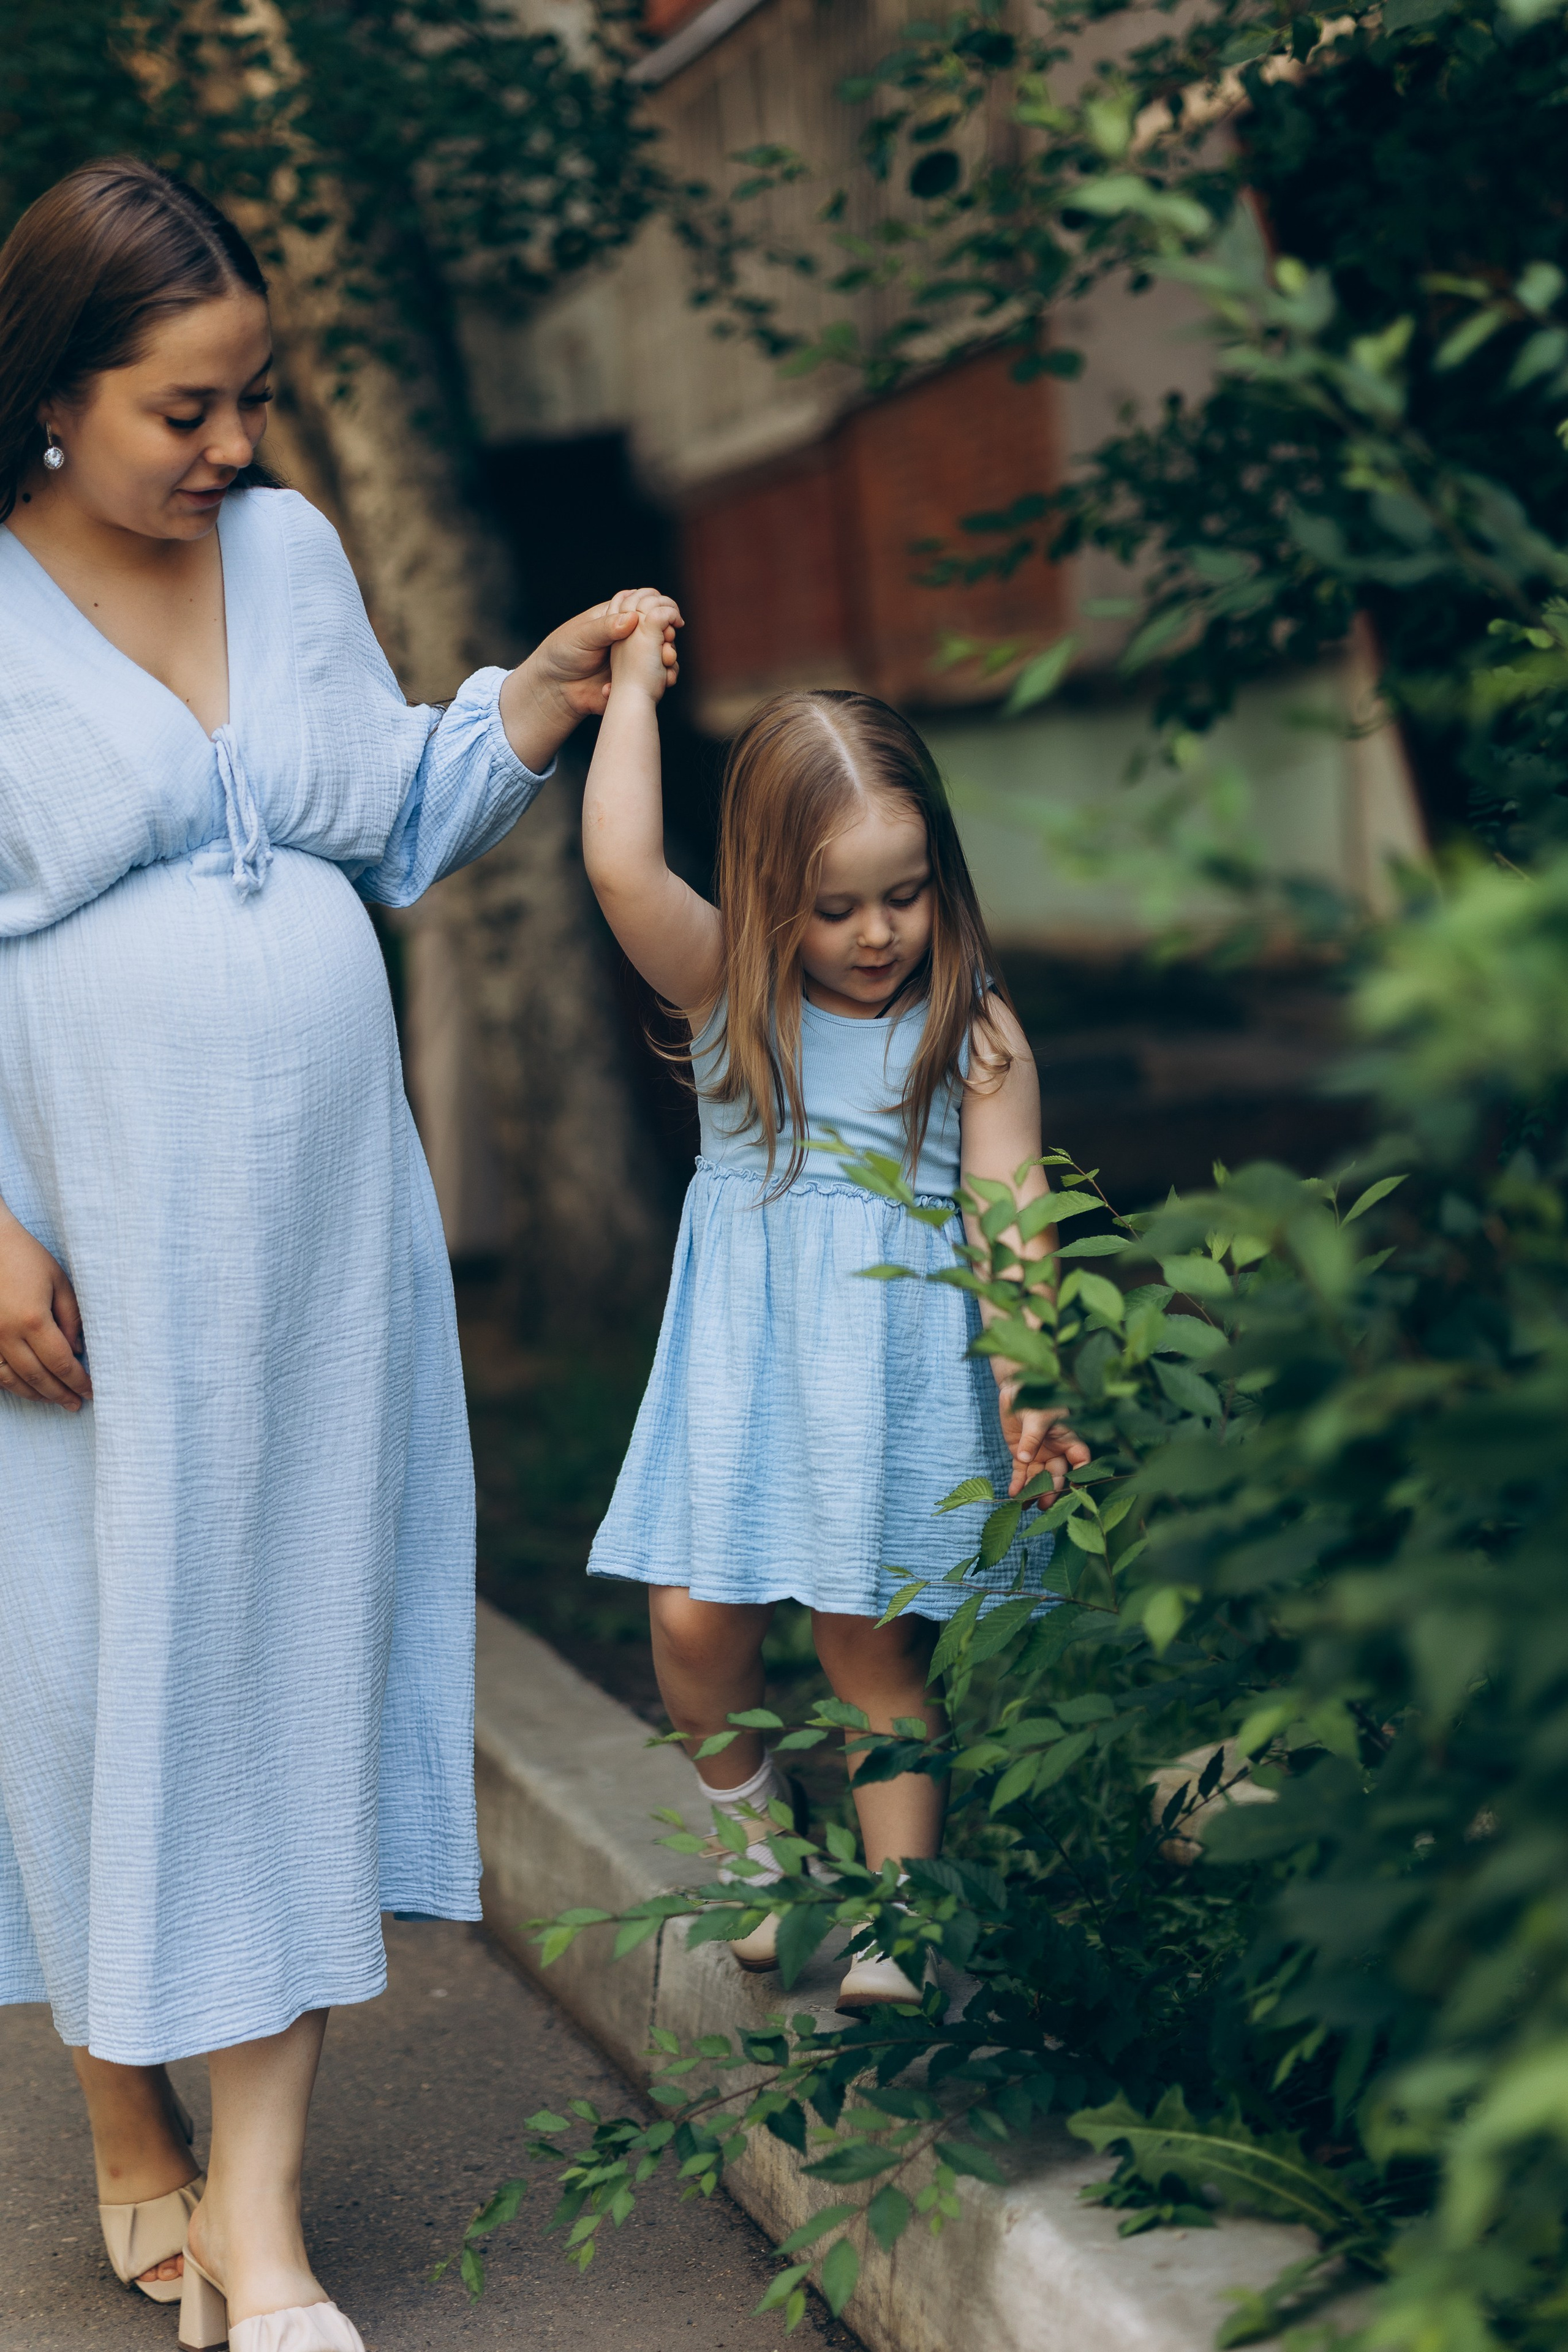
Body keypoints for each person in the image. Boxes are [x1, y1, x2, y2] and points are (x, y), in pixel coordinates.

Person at [0, 160, 679, 2351]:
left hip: (311, 1236)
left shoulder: (283, 551)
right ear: (50, 399)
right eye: (185, 409)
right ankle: (127, 2124)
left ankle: (263, 2236)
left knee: (276, 1664)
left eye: (256, 401)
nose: (233, 452)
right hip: (76, 1243)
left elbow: (386, 802)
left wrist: (542, 695)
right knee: (94, 1682)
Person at [580, 592, 1089, 2013]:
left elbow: (1010, 1211)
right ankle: (767, 1862)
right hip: (744, 1382)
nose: (877, 935)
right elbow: (622, 865)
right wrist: (630, 691)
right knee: (691, 1628)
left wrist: (1028, 1375)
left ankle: (899, 1918)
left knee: (870, 1646)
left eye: (905, 892)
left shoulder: (969, 1029)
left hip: (895, 1385)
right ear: (763, 894)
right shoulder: (736, 1006)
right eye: (835, 905)